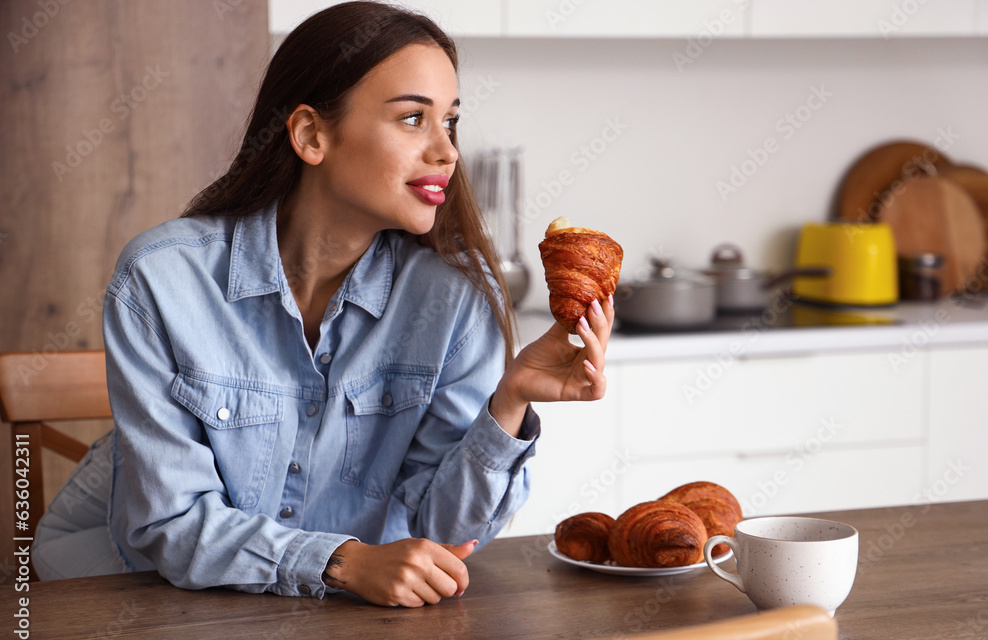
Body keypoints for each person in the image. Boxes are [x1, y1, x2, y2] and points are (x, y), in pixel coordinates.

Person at [33, 1, 614, 607]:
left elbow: (442, 535)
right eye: (414, 118)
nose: (447, 152)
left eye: (451, 122)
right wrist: (340, 561)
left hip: (326, 617)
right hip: (124, 594)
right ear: (312, 134)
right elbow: (169, 526)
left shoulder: (457, 301)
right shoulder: (161, 278)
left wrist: (511, 398)